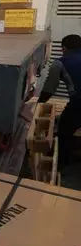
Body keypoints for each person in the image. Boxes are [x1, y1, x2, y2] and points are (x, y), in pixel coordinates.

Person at [39, 34, 81, 169]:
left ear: (64, 48)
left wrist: (38, 104)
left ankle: (62, 163)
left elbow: (50, 88)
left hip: (78, 105)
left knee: (64, 129)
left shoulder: (60, 63)